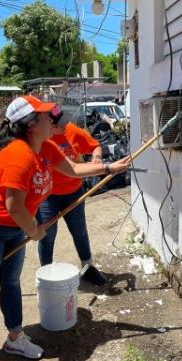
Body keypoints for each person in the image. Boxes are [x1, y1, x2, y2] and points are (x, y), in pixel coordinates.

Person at [0, 95, 128, 361]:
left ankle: (15, 338)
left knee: (11, 283)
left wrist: (108, 167)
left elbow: (73, 170)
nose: (53, 119)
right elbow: (14, 206)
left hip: (14, 226)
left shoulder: (45, 147)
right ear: (31, 123)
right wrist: (34, 230)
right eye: (46, 115)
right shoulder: (18, 155)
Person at [37, 105, 107, 285]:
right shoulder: (40, 139)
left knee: (79, 232)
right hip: (47, 195)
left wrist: (96, 158)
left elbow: (94, 146)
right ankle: (46, 274)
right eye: (59, 124)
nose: (65, 126)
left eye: (64, 122)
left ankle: (87, 268)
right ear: (47, 124)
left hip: (73, 192)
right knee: (47, 234)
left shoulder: (72, 131)